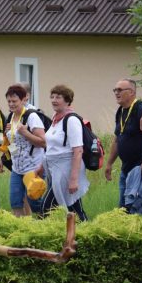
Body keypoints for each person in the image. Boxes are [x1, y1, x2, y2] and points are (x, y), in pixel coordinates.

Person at [38, 85, 89, 221]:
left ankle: (37, 236)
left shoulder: (71, 120)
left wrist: (73, 179)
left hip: (66, 171)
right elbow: (52, 147)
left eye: (58, 97)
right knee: (74, 207)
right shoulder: (56, 119)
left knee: (46, 208)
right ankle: (86, 231)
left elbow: (78, 151)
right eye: (52, 97)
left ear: (67, 100)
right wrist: (42, 167)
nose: (54, 100)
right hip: (55, 171)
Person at [105, 78, 142, 208]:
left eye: (120, 90)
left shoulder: (140, 109)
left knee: (137, 208)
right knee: (124, 209)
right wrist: (109, 163)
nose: (116, 93)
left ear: (132, 92)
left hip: (141, 168)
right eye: (115, 90)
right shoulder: (120, 111)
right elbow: (117, 139)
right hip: (126, 169)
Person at [0, 85, 46, 217]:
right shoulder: (10, 118)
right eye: (9, 101)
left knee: (34, 203)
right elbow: (12, 143)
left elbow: (43, 142)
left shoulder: (31, 117)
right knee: (15, 202)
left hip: (33, 168)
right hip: (17, 169)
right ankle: (20, 231)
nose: (11, 104)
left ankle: (44, 228)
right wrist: (4, 158)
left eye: (15, 101)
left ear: (24, 100)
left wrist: (25, 133)